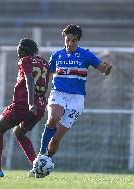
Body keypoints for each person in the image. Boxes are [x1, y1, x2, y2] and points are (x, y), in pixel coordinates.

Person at [32, 24, 112, 175]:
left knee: (56, 139)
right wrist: (41, 91)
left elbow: (102, 69)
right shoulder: (57, 55)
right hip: (59, 93)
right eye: (67, 40)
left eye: (73, 40)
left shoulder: (86, 55)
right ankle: (41, 156)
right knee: (53, 118)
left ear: (78, 40)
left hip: (77, 99)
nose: (69, 43)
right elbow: (48, 74)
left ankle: (46, 160)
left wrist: (108, 68)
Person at [0, 38, 50, 177]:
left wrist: (30, 102)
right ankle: (36, 167)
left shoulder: (25, 60)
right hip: (41, 106)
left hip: (24, 104)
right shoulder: (44, 63)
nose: (17, 52)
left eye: (19, 49)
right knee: (19, 133)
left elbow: (30, 79)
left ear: (24, 50)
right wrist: (37, 103)